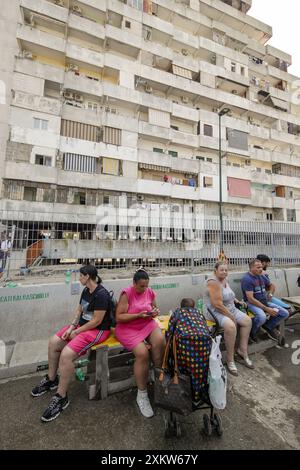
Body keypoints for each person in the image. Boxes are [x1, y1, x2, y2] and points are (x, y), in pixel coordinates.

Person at [31, 265, 112, 422]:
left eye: (81, 276)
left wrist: (77, 332)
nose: (79, 278)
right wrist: (72, 327)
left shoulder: (101, 294)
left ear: (87, 276)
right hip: (81, 328)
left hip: (97, 331)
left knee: (66, 355)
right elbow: (79, 311)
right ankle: (51, 379)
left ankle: (61, 397)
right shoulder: (85, 291)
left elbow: (96, 321)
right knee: (54, 342)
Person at [115, 268, 165, 418]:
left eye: (146, 285)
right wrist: (138, 314)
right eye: (141, 286)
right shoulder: (127, 293)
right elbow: (119, 317)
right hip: (128, 328)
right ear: (134, 283)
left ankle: (159, 380)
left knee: (160, 342)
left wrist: (155, 312)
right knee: (142, 354)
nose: (144, 288)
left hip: (146, 324)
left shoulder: (149, 292)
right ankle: (142, 394)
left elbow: (155, 307)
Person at [203, 262, 254, 376]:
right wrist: (231, 317)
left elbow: (229, 294)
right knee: (231, 326)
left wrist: (237, 301)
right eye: (222, 270)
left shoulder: (225, 279)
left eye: (226, 270)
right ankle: (230, 359)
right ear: (215, 270)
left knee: (247, 321)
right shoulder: (213, 282)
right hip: (215, 311)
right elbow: (217, 305)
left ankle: (242, 350)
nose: (225, 272)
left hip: (230, 308)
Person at [241, 259, 289, 343]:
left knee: (284, 313)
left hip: (264, 302)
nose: (261, 269)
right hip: (251, 303)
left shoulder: (261, 276)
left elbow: (271, 285)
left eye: (261, 267)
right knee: (262, 317)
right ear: (251, 268)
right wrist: (266, 309)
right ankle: (253, 332)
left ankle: (268, 326)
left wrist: (270, 294)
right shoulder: (247, 279)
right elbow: (250, 299)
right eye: (258, 267)